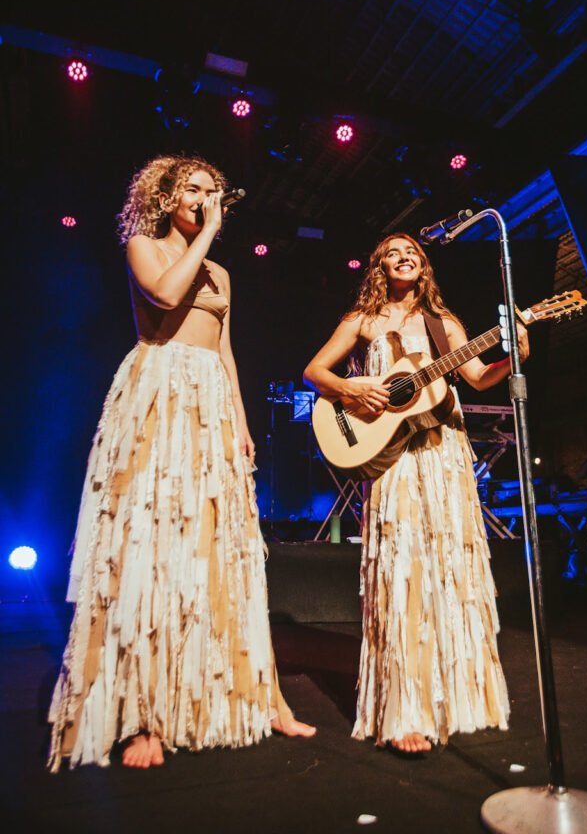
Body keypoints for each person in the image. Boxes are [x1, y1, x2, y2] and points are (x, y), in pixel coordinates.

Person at [48, 154, 315, 771]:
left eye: (213, 191)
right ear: (167, 197)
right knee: (152, 547)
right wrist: (208, 235)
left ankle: (259, 696)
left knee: (221, 550)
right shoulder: (144, 246)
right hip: (158, 395)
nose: (205, 199)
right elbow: (166, 297)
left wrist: (243, 425)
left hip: (211, 406)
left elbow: (224, 350)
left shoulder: (222, 273)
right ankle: (145, 715)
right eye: (194, 190)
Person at [303, 233, 529, 754]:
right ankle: (403, 708)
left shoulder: (444, 324)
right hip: (393, 458)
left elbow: (477, 378)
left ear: (422, 265)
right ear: (380, 266)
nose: (404, 257)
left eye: (412, 252)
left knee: (447, 568)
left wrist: (515, 351)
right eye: (392, 252)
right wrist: (353, 387)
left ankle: (453, 698)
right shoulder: (363, 320)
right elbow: (315, 371)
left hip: (443, 454)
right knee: (402, 573)